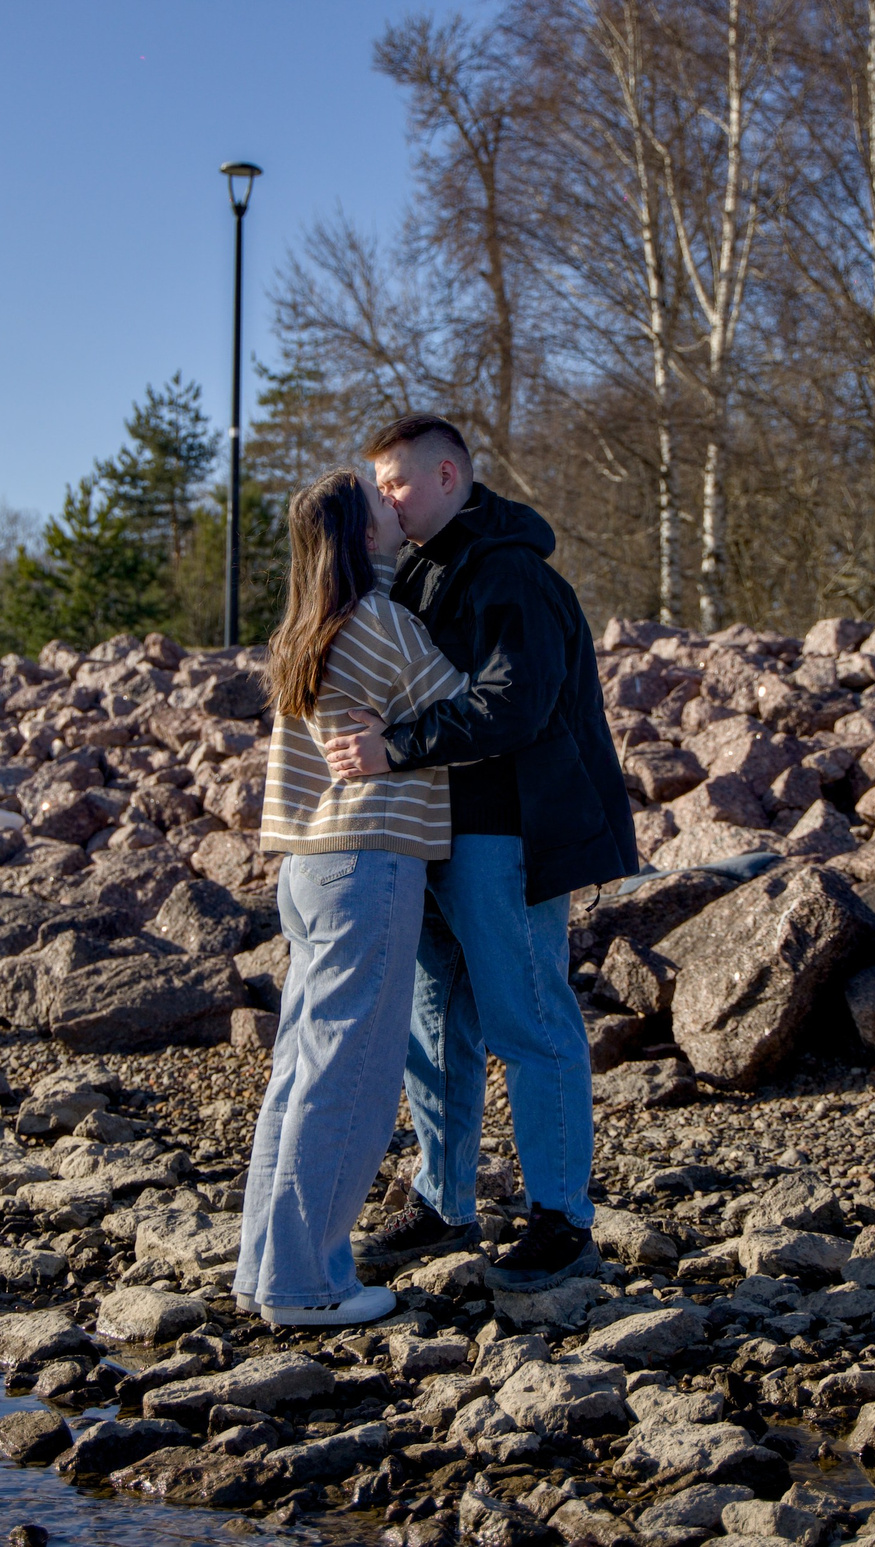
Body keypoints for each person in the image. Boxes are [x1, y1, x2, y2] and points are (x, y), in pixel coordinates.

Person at [324, 414, 639, 1292]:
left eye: (395, 481)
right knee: (436, 1024)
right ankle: (442, 1201)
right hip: (439, 831)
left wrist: (397, 747)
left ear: (450, 476)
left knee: (529, 1019)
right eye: (379, 485)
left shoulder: (508, 572)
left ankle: (563, 1220)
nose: (382, 496)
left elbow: (517, 705)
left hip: (507, 829)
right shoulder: (425, 568)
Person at [233, 467, 471, 1328]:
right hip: (367, 861)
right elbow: (464, 709)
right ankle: (309, 1285)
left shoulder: (304, 628)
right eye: (382, 504)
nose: (397, 508)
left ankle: (266, 1267)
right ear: (363, 536)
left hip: (306, 866)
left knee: (300, 1073)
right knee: (354, 1078)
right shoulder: (381, 624)